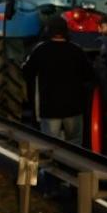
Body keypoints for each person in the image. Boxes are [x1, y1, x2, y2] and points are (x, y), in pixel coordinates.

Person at [20, 15, 94, 143]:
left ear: (48, 31)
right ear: (66, 31)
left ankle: (54, 163)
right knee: (75, 143)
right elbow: (89, 75)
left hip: (49, 109)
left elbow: (27, 72)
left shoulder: (40, 50)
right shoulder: (76, 50)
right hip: (74, 108)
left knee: (50, 145)